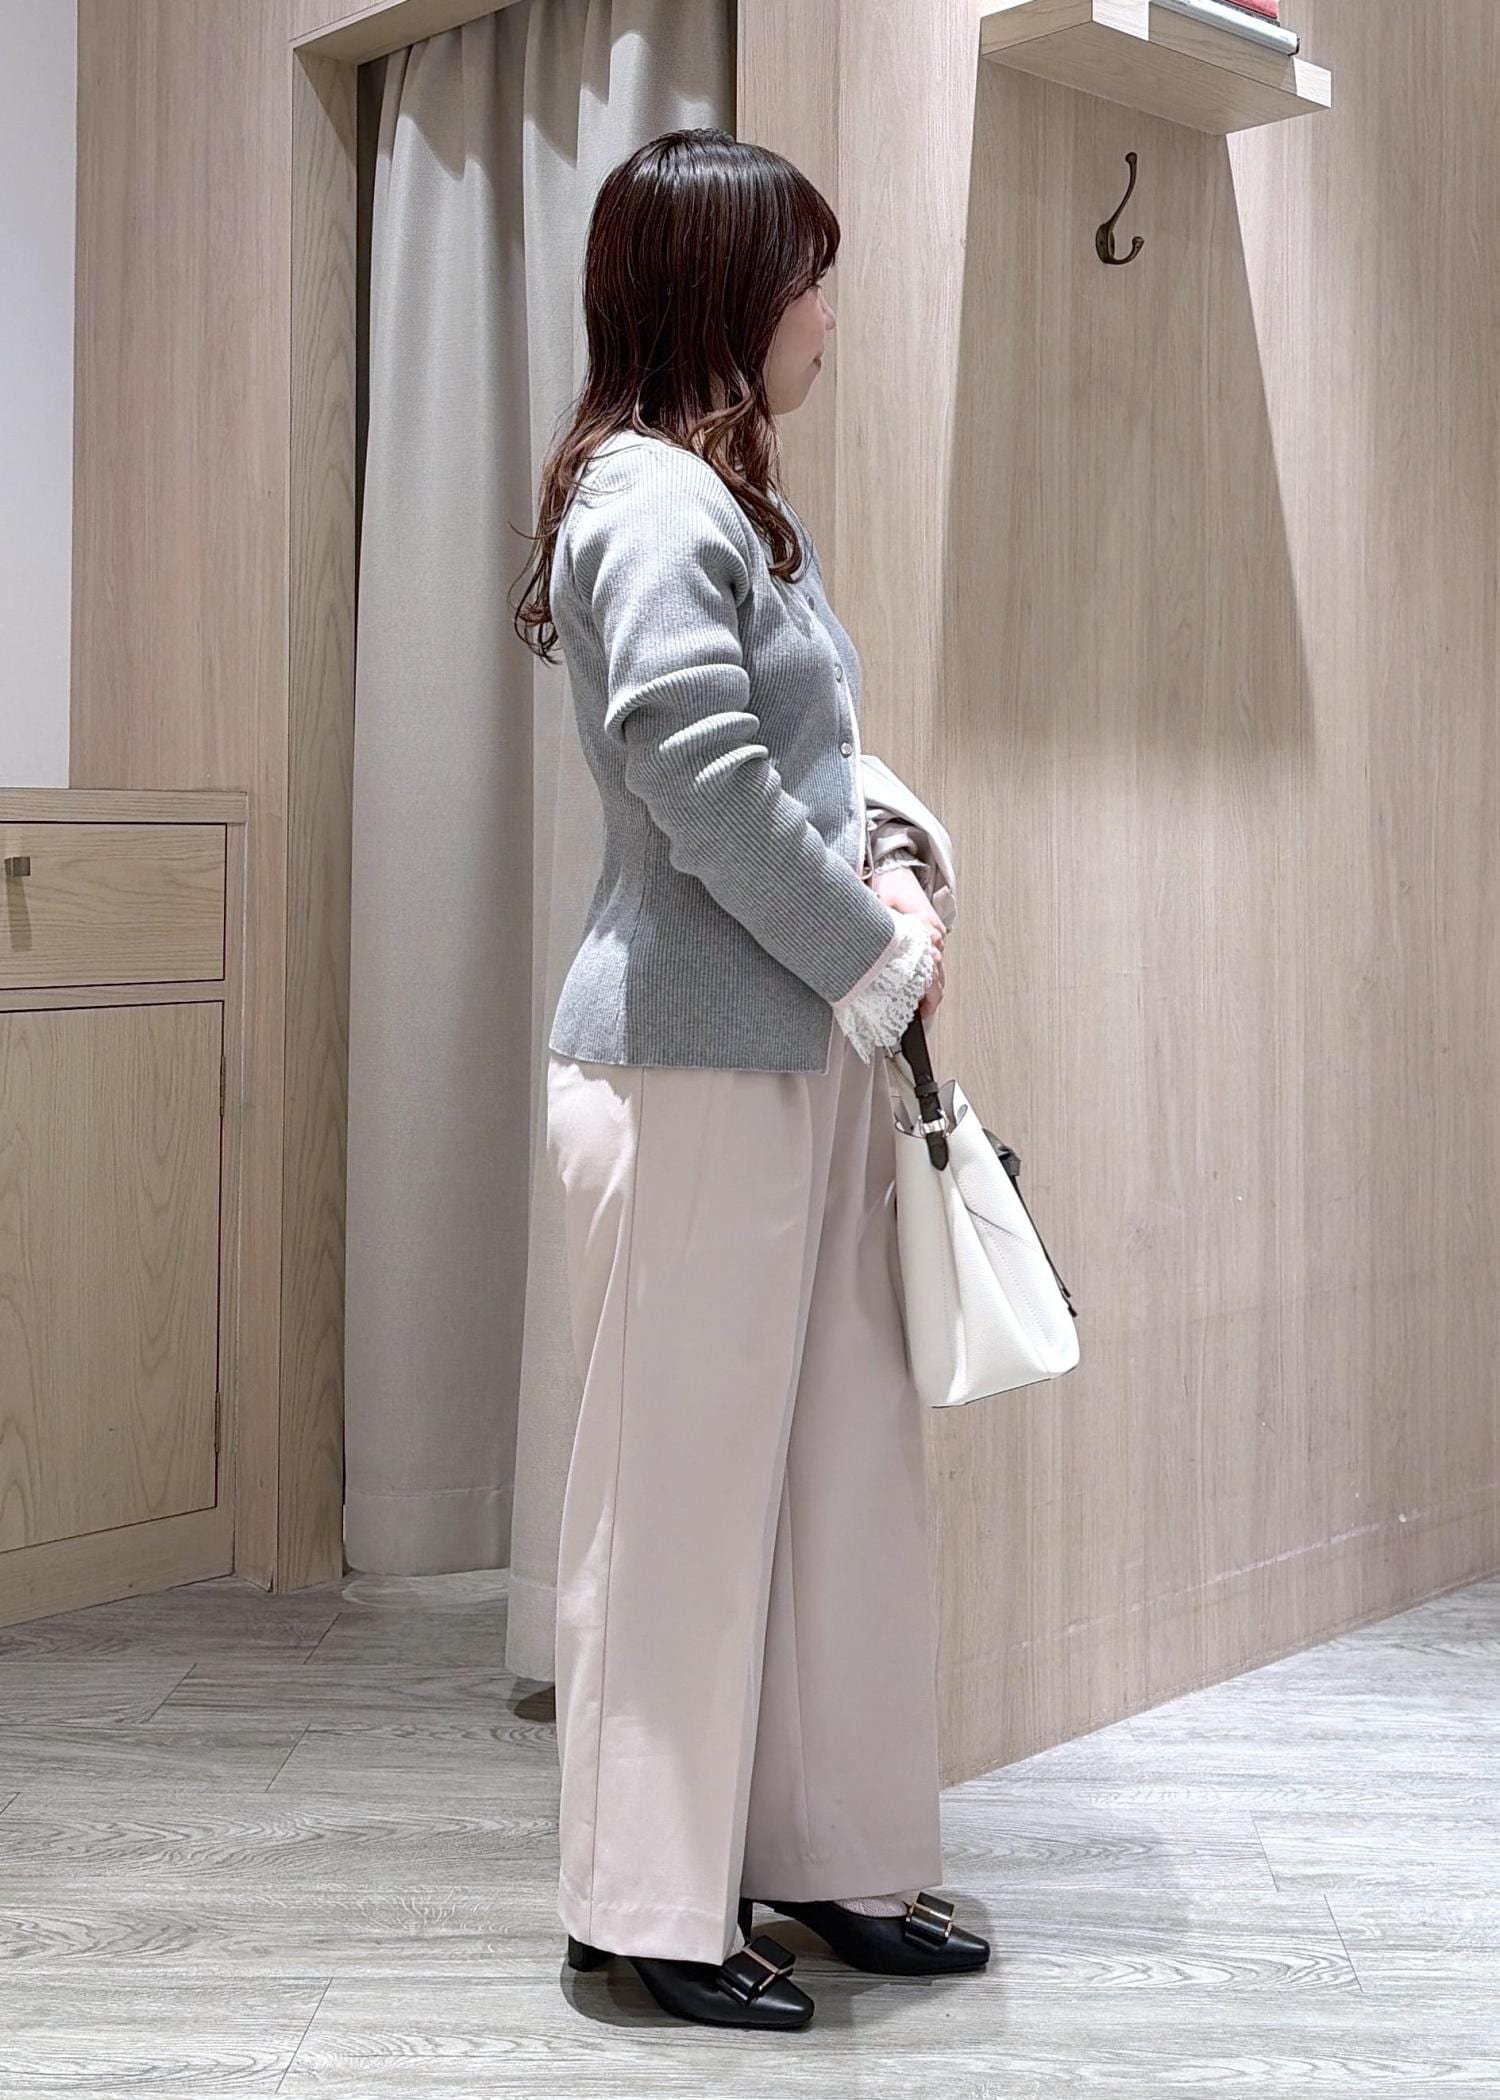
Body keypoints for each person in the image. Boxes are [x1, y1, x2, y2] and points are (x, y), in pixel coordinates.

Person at [513, 125, 988, 2033]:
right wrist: (878, 952)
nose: (826, 315)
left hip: (780, 1057)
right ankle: (642, 1906)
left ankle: (820, 1856)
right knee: (684, 1501)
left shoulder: (723, 503)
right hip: (695, 1070)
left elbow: (798, 764)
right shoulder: (650, 500)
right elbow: (700, 778)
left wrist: (893, 863)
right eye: (808, 277)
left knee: (828, 1483)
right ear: (729, 291)